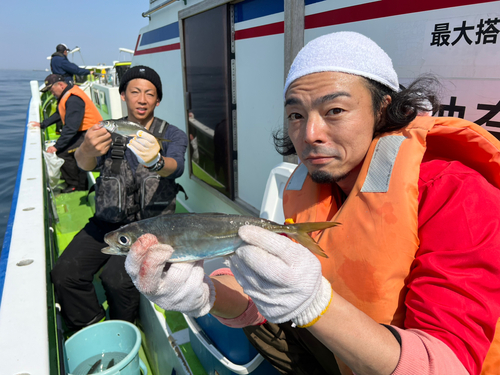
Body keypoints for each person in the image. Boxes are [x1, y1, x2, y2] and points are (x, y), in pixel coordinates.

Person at [123, 32, 500, 375]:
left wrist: (315, 304)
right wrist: (204, 295)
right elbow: (263, 303)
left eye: (334, 110)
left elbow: (448, 365)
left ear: (383, 109)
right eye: (296, 115)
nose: (310, 134)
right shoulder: (309, 185)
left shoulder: (455, 191)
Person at [50, 65, 188, 331]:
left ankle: (123, 329)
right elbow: (84, 164)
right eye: (135, 91)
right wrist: (87, 149)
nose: (142, 99)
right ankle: (91, 326)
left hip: (151, 229)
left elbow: (177, 166)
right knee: (65, 273)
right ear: (123, 94)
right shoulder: (107, 130)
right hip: (107, 222)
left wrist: (157, 162)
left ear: (158, 100)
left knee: (116, 279)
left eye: (150, 93)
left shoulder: (171, 135)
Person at [31, 73, 102, 192]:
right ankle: (71, 178)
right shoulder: (66, 95)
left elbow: (71, 128)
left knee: (62, 152)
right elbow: (60, 113)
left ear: (60, 85)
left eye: (52, 90)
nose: (51, 94)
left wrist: (56, 146)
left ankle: (76, 185)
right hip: (83, 132)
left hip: (91, 133)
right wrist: (43, 124)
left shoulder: (73, 98)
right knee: (65, 149)